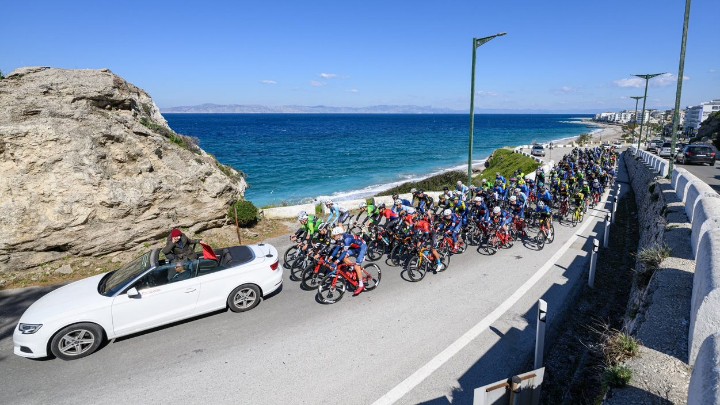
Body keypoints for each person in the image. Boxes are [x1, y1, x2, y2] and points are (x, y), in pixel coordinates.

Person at [329, 226, 368, 296]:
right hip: (356, 248)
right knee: (344, 258)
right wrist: (330, 258)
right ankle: (353, 269)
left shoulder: (347, 239)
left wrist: (336, 262)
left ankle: (361, 285)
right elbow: (337, 249)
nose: (333, 237)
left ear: (338, 234)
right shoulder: (341, 238)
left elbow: (344, 252)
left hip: (362, 247)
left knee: (357, 266)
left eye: (334, 235)